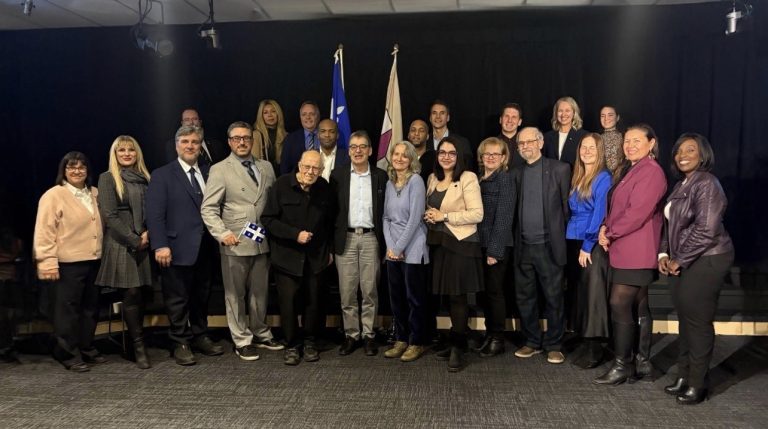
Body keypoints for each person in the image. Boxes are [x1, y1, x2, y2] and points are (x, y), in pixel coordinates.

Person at [659, 133, 735, 405]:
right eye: (679, 151)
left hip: (708, 258)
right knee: (686, 319)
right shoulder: (682, 184)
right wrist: (664, 253)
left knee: (698, 321)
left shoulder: (707, 183)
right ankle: (684, 375)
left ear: (702, 155)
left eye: (690, 150)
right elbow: (670, 224)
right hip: (685, 258)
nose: (683, 155)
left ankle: (697, 384)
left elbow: (706, 229)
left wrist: (679, 259)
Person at [201, 121, 282, 362]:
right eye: (236, 138)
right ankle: (241, 340)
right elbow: (208, 208)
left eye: (246, 137)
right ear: (229, 142)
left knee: (260, 292)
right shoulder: (220, 169)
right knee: (235, 294)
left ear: (252, 140)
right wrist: (221, 233)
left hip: (262, 239)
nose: (242, 142)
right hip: (235, 240)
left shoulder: (266, 166)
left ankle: (260, 332)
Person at [594, 124, 666, 385]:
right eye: (627, 141)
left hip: (637, 249)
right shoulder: (630, 169)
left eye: (636, 140)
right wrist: (605, 227)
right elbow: (616, 207)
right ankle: (640, 362)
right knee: (638, 305)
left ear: (651, 143)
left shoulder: (651, 172)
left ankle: (622, 364)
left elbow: (636, 213)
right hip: (625, 247)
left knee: (619, 303)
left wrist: (610, 232)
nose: (630, 145)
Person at [146, 125, 225, 366]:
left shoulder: (210, 172)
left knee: (202, 296)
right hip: (175, 248)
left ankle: (200, 335)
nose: (190, 146)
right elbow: (154, 215)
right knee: (177, 298)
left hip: (206, 247)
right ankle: (180, 341)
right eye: (185, 142)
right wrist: (160, 245)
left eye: (195, 142)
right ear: (176, 145)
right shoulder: (162, 175)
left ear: (201, 146)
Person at [262, 151, 336, 366]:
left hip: (316, 257)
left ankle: (311, 342)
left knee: (314, 302)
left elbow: (331, 223)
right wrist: (294, 234)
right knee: (289, 304)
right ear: (299, 165)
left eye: (316, 168)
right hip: (287, 258)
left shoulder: (324, 188)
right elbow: (268, 219)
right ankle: (292, 345)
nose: (310, 172)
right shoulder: (281, 185)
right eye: (307, 167)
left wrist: (330, 251)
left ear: (321, 170)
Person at [34, 151, 105, 372]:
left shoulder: (95, 193)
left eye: (81, 167)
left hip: (94, 260)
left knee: (90, 309)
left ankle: (86, 347)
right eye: (71, 167)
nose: (77, 171)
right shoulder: (54, 195)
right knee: (67, 312)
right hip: (67, 264)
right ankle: (68, 353)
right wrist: (47, 261)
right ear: (63, 170)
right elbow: (44, 231)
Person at [511, 127, 571, 365]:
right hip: (523, 246)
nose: (525, 146)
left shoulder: (560, 169)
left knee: (554, 297)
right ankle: (532, 341)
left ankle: (554, 345)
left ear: (540, 142)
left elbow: (567, 209)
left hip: (549, 246)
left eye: (529, 141)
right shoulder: (516, 173)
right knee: (525, 297)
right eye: (521, 143)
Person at [425, 136, 484, 372]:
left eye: (451, 153)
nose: (446, 157)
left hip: (461, 244)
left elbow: (477, 214)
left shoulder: (467, 178)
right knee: (448, 296)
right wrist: (429, 216)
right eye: (442, 152)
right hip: (439, 244)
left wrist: (445, 217)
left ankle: (459, 347)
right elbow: (433, 208)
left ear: (458, 156)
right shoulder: (432, 178)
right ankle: (454, 341)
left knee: (458, 297)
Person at [94, 136, 153, 369]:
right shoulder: (107, 178)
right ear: (115, 154)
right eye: (122, 150)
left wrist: (147, 232)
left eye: (131, 150)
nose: (127, 154)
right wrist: (134, 239)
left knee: (141, 294)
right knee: (131, 292)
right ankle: (138, 347)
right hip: (121, 242)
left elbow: (153, 209)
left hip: (144, 240)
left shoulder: (145, 178)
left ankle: (133, 342)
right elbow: (110, 215)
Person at [330, 131, 387, 357]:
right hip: (346, 238)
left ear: (370, 151)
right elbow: (331, 211)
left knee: (370, 290)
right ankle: (351, 335)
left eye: (363, 146)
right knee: (347, 292)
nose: (358, 151)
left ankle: (369, 335)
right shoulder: (337, 175)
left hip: (371, 238)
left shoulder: (381, 176)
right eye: (353, 146)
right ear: (349, 151)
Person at [564, 133, 612, 369]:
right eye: (583, 147)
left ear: (600, 151)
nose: (587, 151)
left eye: (592, 147)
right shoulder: (578, 175)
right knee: (580, 294)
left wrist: (587, 245)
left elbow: (599, 213)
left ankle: (595, 347)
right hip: (573, 239)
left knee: (594, 296)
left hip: (590, 244)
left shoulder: (603, 177)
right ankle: (583, 339)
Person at [382, 141, 430, 362]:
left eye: (404, 155)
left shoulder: (416, 181)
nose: (399, 158)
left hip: (413, 248)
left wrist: (399, 247)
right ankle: (401, 339)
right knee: (397, 298)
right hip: (393, 250)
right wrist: (391, 248)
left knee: (414, 299)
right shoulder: (390, 183)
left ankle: (416, 342)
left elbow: (415, 219)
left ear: (411, 160)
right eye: (396, 154)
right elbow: (385, 218)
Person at [476, 137, 516, 357]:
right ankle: (489, 334)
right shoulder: (479, 179)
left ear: (503, 158)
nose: (491, 157)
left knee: (495, 293)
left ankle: (498, 338)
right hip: (479, 245)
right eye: (487, 154)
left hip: (496, 246)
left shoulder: (505, 180)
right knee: (485, 293)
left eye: (495, 154)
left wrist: (494, 251)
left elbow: (504, 217)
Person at [428, 100, 474, 169]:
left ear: (448, 118)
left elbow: (468, 169)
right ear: (430, 118)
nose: (438, 116)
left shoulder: (462, 142)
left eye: (442, 113)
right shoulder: (425, 142)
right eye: (434, 113)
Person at [543, 96, 588, 166]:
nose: (563, 114)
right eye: (560, 111)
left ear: (574, 113)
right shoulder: (547, 137)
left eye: (567, 111)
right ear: (556, 113)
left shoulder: (584, 136)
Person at [280, 101, 321, 175]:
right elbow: (285, 169)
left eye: (311, 114)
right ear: (300, 117)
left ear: (318, 116)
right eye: (304, 114)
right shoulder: (290, 139)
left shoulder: (326, 136)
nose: (308, 117)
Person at [252, 99, 287, 175]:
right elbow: (254, 165)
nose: (270, 115)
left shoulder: (287, 136)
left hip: (282, 178)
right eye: (265, 112)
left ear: (278, 114)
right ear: (261, 116)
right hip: (264, 178)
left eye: (273, 111)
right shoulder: (256, 136)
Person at [496, 103, 525, 168]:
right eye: (506, 116)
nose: (509, 120)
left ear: (519, 122)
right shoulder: (490, 144)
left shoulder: (527, 145)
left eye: (514, 117)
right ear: (500, 120)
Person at [407, 119, 435, 185]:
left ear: (427, 136)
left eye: (421, 131)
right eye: (413, 130)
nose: (416, 133)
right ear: (408, 135)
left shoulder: (434, 159)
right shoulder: (401, 158)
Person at [599, 105, 624, 176]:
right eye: (603, 116)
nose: (606, 118)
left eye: (610, 115)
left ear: (617, 117)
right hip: (600, 178)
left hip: (618, 178)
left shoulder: (624, 138)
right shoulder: (597, 138)